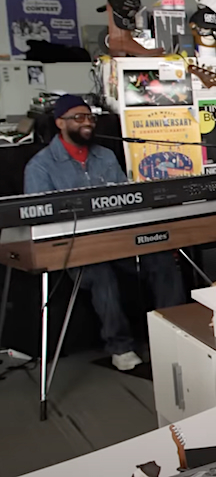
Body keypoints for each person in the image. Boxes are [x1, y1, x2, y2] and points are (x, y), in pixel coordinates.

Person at [23, 95, 185, 371]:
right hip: (75, 250)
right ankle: (119, 348)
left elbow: (126, 199)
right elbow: (39, 220)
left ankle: (173, 336)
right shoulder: (40, 166)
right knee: (101, 276)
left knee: (162, 261)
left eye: (90, 117)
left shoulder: (106, 156)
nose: (87, 123)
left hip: (118, 241)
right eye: (78, 117)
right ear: (60, 122)